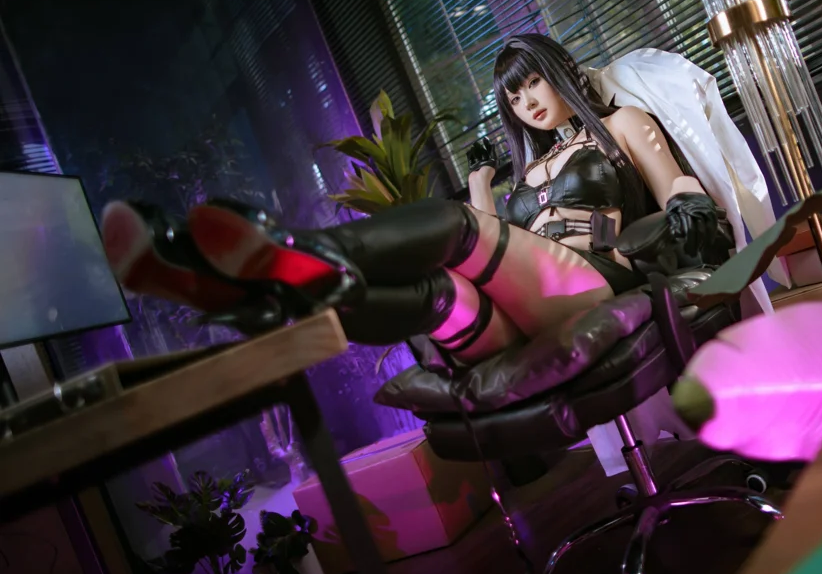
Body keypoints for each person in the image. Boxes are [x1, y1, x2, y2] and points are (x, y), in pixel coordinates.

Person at [100, 35, 768, 362]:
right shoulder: (529, 168)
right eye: (513, 96)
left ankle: (285, 252)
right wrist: (483, 185)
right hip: (531, 294)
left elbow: (676, 185)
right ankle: (244, 289)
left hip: (594, 279)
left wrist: (691, 214)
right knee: (435, 294)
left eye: (533, 83)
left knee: (451, 231)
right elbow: (499, 242)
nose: (527, 102)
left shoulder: (620, 124)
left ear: (561, 71)